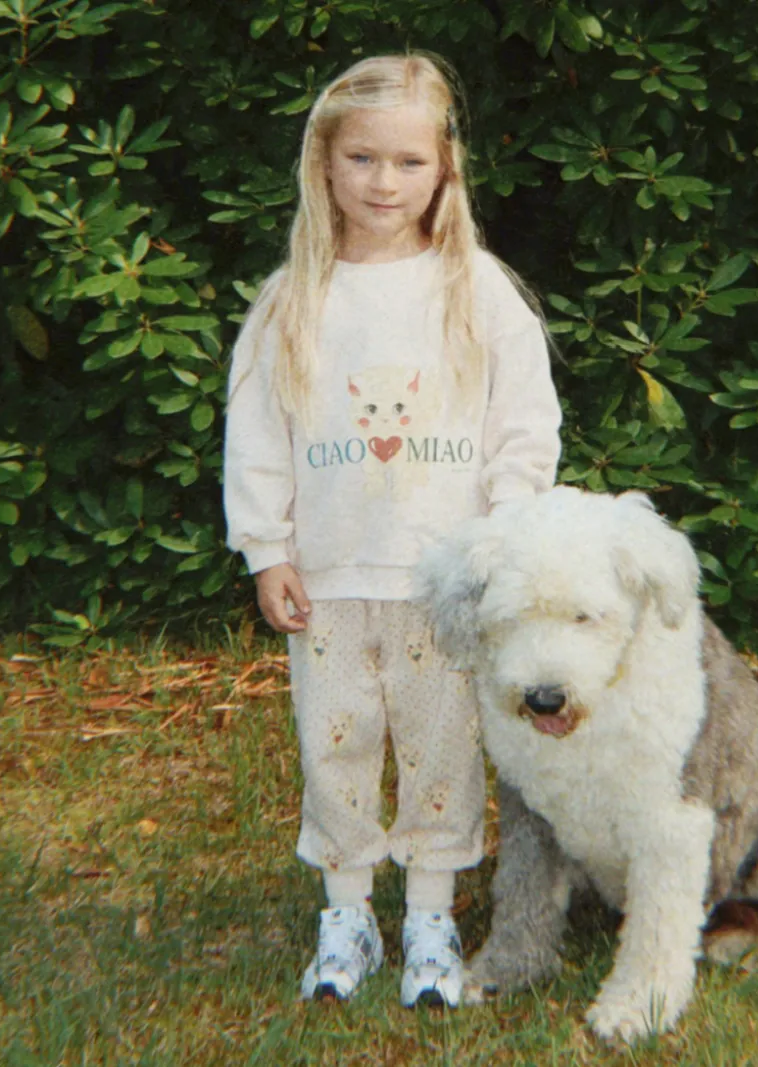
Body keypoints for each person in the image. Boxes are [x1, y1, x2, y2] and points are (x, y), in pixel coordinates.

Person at [223, 52, 561, 1009]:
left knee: (441, 747)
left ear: (445, 168)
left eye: (408, 162)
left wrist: (502, 540)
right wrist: (267, 549)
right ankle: (347, 912)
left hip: (443, 586)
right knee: (335, 745)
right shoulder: (291, 298)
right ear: (323, 165)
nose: (383, 182)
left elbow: (524, 426)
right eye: (362, 159)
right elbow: (256, 435)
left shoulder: (479, 291)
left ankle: (429, 916)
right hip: (328, 578)